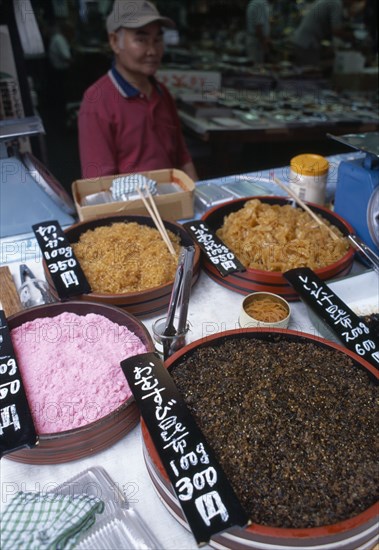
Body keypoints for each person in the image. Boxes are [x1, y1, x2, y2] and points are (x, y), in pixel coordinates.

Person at [78, 0, 198, 181]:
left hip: (173, 202)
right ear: (114, 42)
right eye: (141, 39)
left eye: (157, 39)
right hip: (130, 207)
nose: (152, 50)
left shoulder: (162, 92)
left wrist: (200, 202)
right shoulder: (97, 100)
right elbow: (99, 184)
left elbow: (183, 159)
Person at [290, 0, 355, 67]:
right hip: (308, 43)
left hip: (302, 40)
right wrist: (351, 36)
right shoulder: (336, 4)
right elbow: (336, 30)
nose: (352, 3)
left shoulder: (332, 2)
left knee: (304, 70)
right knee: (310, 70)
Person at [246, 0, 273, 64]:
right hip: (257, 41)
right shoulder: (260, 3)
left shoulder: (257, 2)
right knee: (256, 68)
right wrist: (264, 43)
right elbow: (258, 27)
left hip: (256, 39)